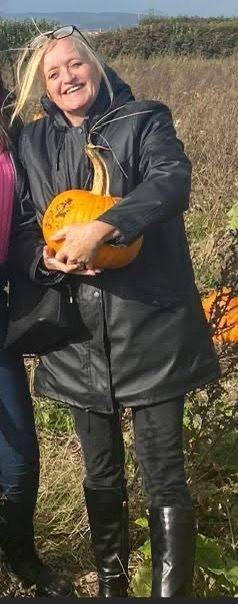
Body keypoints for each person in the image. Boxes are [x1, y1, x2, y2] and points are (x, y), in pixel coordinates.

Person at [10, 25, 221, 598]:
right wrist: (49, 260)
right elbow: (26, 226)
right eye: (52, 74)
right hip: (74, 335)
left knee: (163, 473)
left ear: (96, 67)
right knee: (99, 472)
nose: (66, 79)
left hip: (149, 328)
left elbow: (171, 182)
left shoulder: (145, 119)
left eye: (74, 65)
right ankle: (111, 586)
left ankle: (168, 593)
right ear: (42, 87)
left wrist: (107, 226)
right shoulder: (30, 142)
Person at [0, 73, 73, 597]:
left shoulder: (15, 144)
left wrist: (42, 257)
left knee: (20, 454)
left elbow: (26, 225)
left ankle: (22, 556)